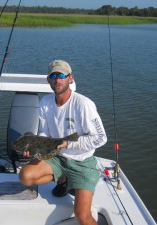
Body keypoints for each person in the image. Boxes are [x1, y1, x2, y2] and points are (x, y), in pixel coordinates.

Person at [19, 59, 107, 225]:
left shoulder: (83, 104)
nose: (57, 80)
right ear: (48, 80)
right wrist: (33, 148)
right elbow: (44, 133)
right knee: (25, 176)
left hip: (82, 162)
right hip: (58, 156)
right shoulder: (45, 102)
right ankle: (63, 180)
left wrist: (70, 144)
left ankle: (73, 179)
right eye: (53, 76)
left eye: (61, 75)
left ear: (70, 78)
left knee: (82, 215)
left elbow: (101, 137)